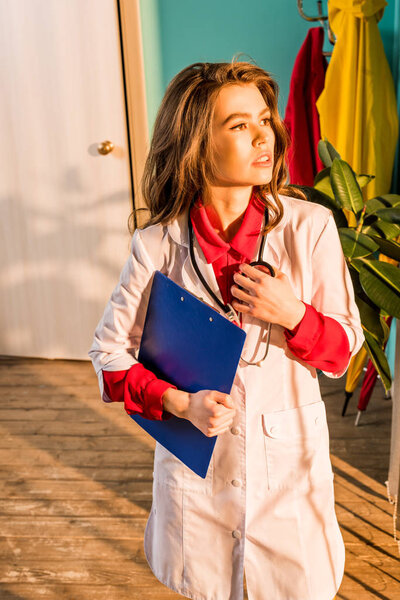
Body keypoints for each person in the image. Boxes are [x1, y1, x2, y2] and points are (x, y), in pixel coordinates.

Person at [88, 60, 364, 600]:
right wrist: (178, 403)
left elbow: (341, 353)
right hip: (198, 477)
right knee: (206, 584)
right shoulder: (157, 245)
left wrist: (293, 314)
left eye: (264, 119)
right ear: (195, 142)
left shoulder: (310, 228)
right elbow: (108, 357)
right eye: (239, 125)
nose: (266, 136)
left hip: (289, 473)